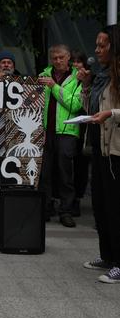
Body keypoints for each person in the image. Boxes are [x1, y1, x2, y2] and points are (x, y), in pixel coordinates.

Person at [78, 26, 120, 283]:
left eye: (102, 46)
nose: (96, 50)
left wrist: (111, 114)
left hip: (115, 150)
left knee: (116, 207)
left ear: (114, 47)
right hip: (98, 148)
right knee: (101, 205)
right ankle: (107, 255)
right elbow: (91, 109)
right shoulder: (101, 76)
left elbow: (110, 112)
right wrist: (85, 86)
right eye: (96, 45)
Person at [37, 44, 82, 228]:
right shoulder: (42, 76)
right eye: (54, 58)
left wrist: (54, 87)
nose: (57, 61)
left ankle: (66, 211)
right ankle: (46, 208)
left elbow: (75, 105)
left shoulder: (77, 78)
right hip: (45, 132)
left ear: (68, 57)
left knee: (65, 173)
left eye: (61, 57)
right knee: (44, 173)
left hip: (66, 132)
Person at [71, 49, 90, 216]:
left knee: (81, 166)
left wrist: (84, 83)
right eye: (74, 62)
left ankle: (77, 199)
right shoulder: (68, 79)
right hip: (68, 127)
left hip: (84, 130)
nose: (76, 65)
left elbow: (86, 105)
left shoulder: (90, 79)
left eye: (79, 62)